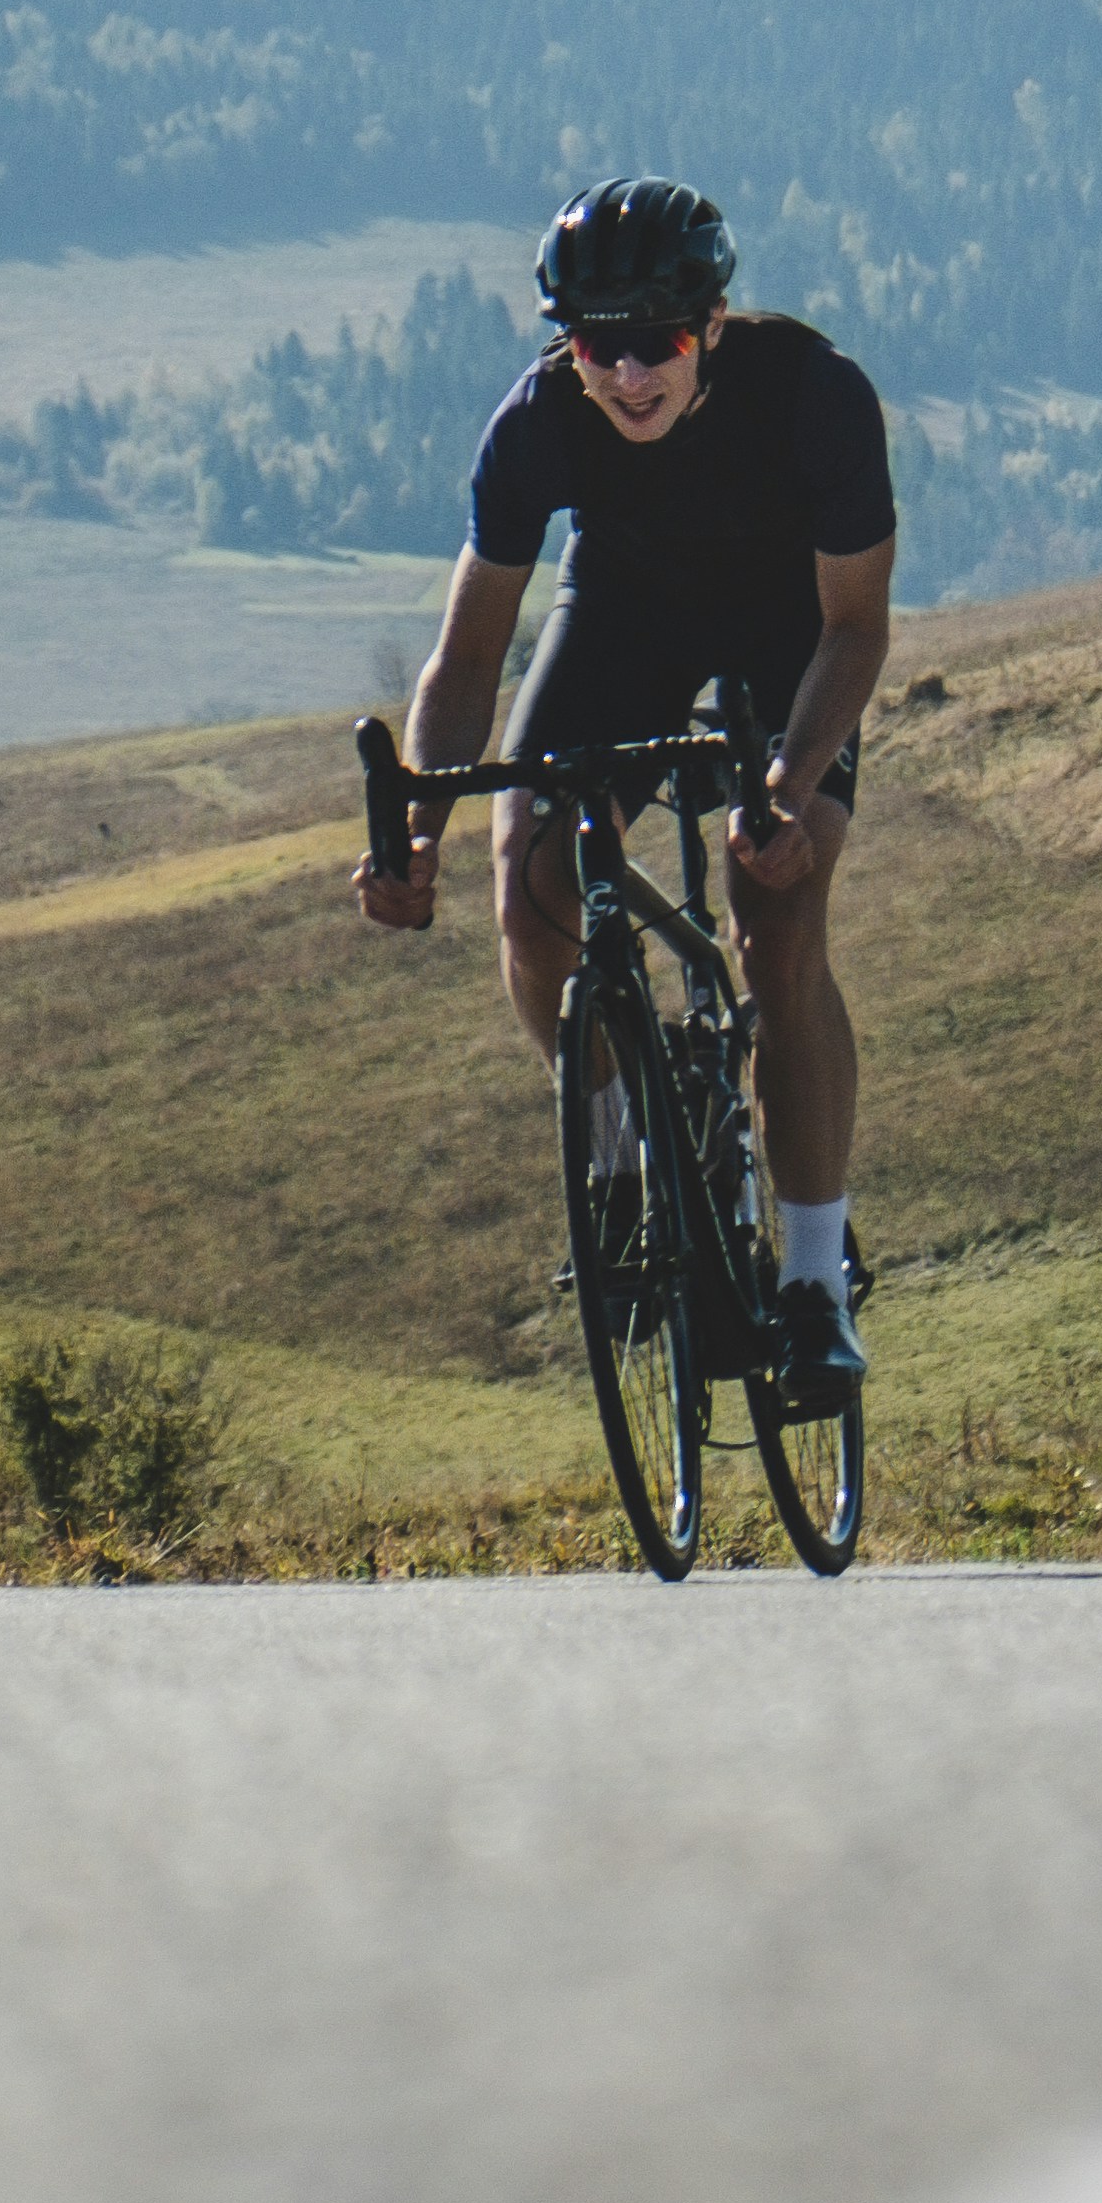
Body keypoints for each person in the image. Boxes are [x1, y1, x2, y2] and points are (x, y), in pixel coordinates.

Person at [354, 177, 894, 1411]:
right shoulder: (538, 423)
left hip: (789, 637)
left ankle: (813, 1284)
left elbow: (856, 630)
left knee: (781, 926)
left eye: (659, 341)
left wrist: (786, 786)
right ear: (567, 344)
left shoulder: (818, 398)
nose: (631, 375)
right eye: (602, 346)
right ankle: (618, 1160)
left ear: (710, 324)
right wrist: (418, 832)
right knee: (530, 887)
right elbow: (469, 659)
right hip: (628, 615)